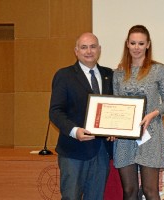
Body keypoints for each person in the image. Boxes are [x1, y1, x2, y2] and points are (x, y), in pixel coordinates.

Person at [49, 32, 113, 200]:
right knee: (71, 197)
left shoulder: (110, 75)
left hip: (102, 151)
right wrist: (74, 131)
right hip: (73, 150)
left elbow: (115, 109)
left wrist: (116, 129)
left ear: (99, 50)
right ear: (76, 51)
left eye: (93, 47)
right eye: (84, 47)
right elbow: (55, 111)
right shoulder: (64, 75)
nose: (89, 51)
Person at [113, 25, 164, 200]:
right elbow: (116, 104)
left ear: (148, 45)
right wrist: (113, 128)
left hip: (150, 135)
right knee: (129, 191)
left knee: (150, 190)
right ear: (127, 44)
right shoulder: (119, 72)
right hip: (125, 138)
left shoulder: (158, 69)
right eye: (133, 43)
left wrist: (153, 114)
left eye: (141, 43)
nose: (136, 47)